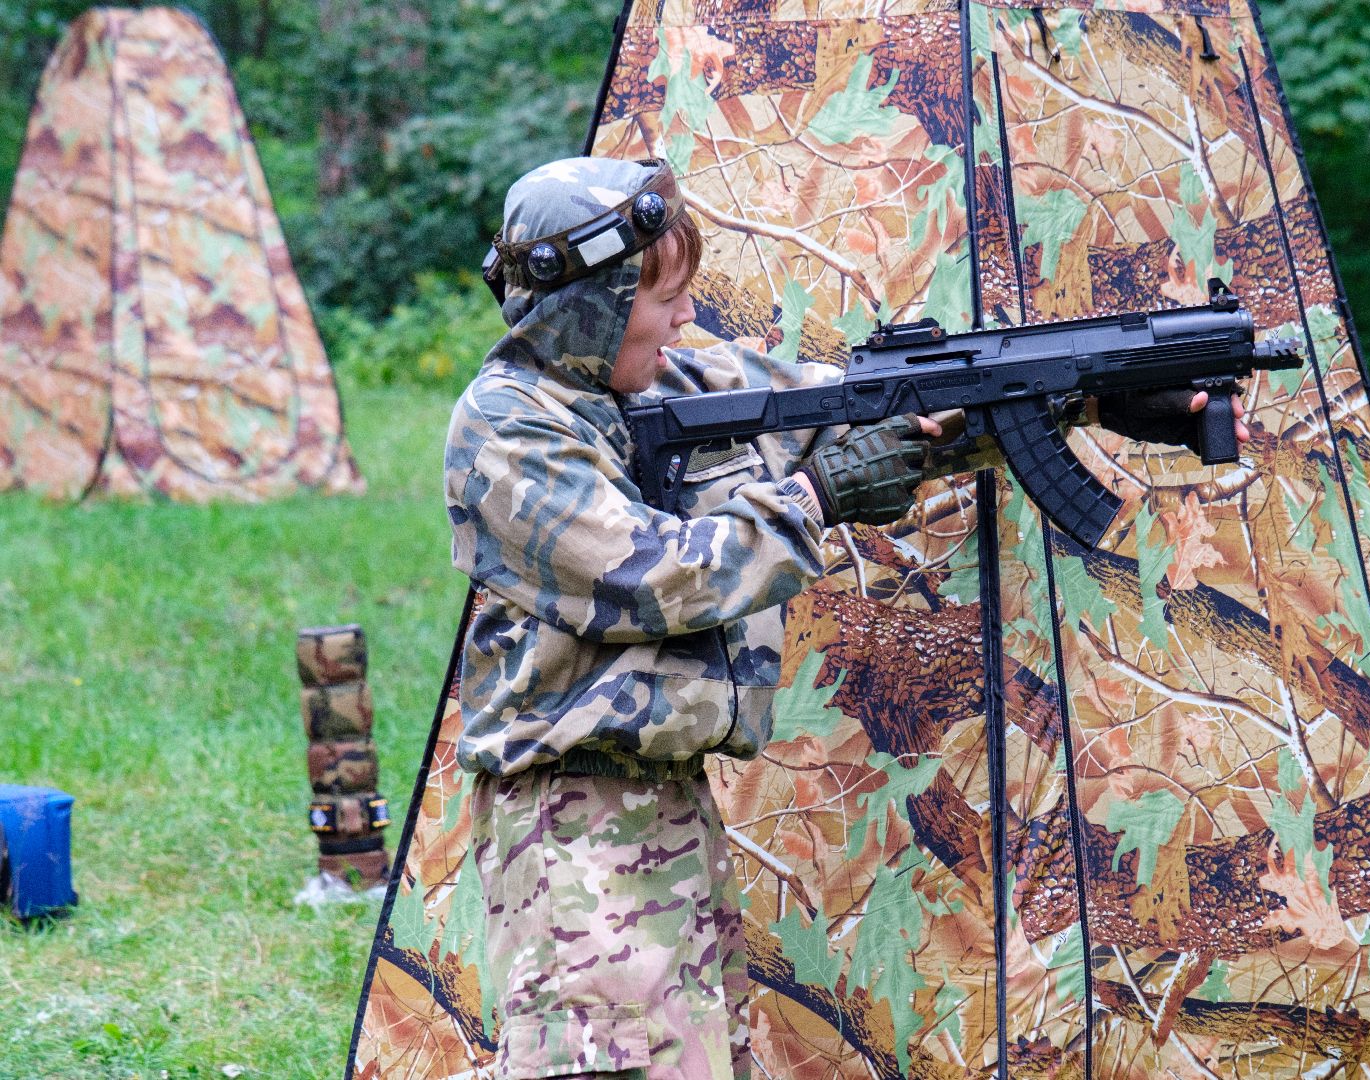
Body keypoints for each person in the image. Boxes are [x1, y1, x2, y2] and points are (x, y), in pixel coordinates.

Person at [445, 156, 1245, 1079]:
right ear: (589, 304)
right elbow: (656, 576)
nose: (686, 318)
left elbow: (871, 420)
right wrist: (818, 496)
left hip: (666, 801)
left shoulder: (676, 383)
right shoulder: (507, 430)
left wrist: (1087, 396)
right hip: (569, 819)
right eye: (662, 298)